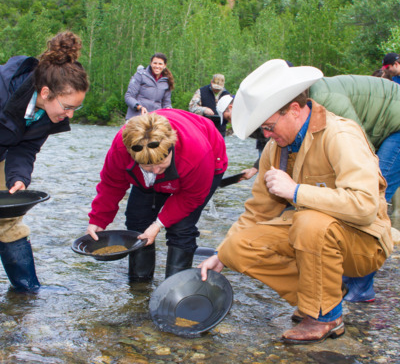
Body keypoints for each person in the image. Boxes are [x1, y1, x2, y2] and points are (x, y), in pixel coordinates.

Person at [199, 59, 392, 344]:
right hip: (318, 235)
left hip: (365, 244)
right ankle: (320, 300)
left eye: (268, 126)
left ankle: (326, 316)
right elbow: (257, 212)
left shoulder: (341, 134)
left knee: (308, 220)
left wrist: (297, 192)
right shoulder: (274, 149)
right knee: (237, 248)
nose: (265, 135)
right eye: (261, 130)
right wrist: (222, 253)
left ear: (295, 109)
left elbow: (364, 207)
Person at [86, 109, 228, 281]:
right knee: (137, 220)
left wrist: (159, 223)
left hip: (207, 160)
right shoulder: (121, 148)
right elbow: (112, 184)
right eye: (148, 167)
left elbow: (191, 198)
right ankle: (139, 284)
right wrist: (98, 220)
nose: (155, 172)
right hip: (145, 176)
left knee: (180, 227)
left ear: (171, 149)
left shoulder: (196, 152)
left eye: (161, 165)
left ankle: (175, 288)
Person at [0, 31, 89, 292]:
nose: (70, 114)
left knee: (8, 219)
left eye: (76, 108)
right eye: (67, 106)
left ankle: (27, 292)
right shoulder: (3, 90)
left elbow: (25, 147)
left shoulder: (48, 115)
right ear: (46, 92)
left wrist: (18, 177)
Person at [124, 53, 174, 120]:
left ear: (164, 65)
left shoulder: (166, 81)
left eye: (160, 64)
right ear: (151, 63)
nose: (157, 66)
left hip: (155, 119)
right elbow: (128, 96)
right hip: (137, 118)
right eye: (155, 63)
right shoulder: (140, 75)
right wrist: (139, 107)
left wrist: (168, 108)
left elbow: (166, 102)